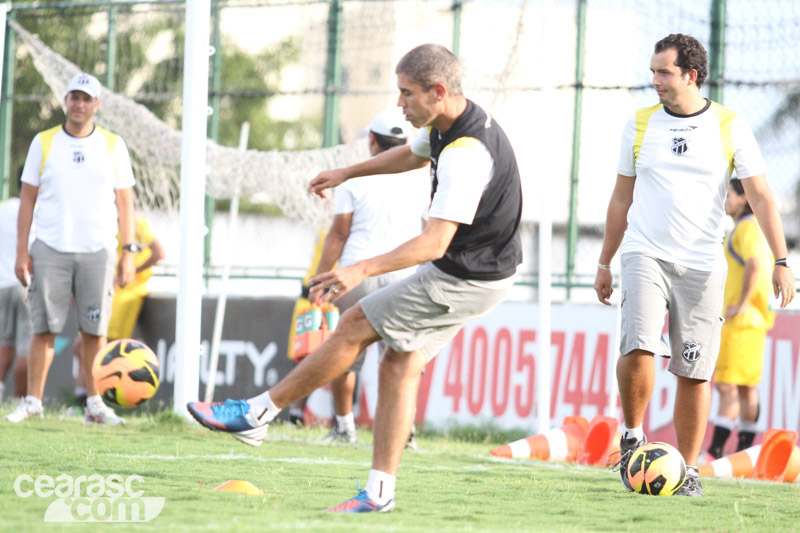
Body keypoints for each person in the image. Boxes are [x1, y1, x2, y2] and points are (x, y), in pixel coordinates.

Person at [188, 43, 523, 512]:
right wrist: (347, 172)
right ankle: (378, 494)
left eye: (406, 94)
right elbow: (409, 155)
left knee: (353, 325)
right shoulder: (449, 124)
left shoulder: (466, 153)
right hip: (478, 276)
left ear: (438, 91)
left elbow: (433, 244)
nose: (400, 103)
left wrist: (358, 268)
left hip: (462, 278)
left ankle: (257, 412)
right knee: (398, 364)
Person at [594, 34, 795, 497]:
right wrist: (604, 260)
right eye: (653, 71)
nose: (655, 81)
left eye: (663, 72)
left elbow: (762, 196)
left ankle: (688, 470)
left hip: (704, 266)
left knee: (694, 371)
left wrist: (781, 261)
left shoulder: (730, 126)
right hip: (644, 252)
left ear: (691, 75)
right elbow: (621, 198)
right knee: (640, 345)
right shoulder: (639, 124)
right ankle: (632, 435)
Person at [5, 72, 136, 425]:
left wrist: (129, 251)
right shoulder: (44, 142)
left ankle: (95, 403)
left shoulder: (113, 144)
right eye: (73, 97)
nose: (79, 104)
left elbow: (126, 203)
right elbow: (27, 200)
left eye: (86, 98)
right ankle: (33, 401)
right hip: (50, 249)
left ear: (96, 105)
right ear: (66, 101)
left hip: (98, 251)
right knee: (43, 328)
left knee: (94, 331)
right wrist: (22, 251)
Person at [317, 108, 428, 444]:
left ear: (372, 141)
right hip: (403, 272)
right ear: (407, 142)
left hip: (356, 274)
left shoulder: (356, 179)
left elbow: (338, 234)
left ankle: (344, 427)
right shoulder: (421, 178)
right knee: (401, 355)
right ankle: (404, 431)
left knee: (345, 351)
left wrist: (322, 279)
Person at [705, 179, 776, 460]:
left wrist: (741, 303)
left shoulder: (745, 229)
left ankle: (715, 450)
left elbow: (754, 265)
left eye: (729, 195)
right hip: (757, 320)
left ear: (743, 198)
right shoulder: (756, 228)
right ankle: (745, 452)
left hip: (741, 320)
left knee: (727, 385)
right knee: (747, 386)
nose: (724, 201)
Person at [72, 216, 165, 407]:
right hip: (106, 289)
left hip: (125, 294)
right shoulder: (102, 221)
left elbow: (158, 253)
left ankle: (96, 400)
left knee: (103, 349)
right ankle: (84, 397)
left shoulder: (136, 223)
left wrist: (130, 271)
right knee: (82, 346)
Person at [0, 170, 32, 400]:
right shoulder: (37, 213)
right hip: (26, 284)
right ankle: (20, 401)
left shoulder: (3, 209)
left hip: (1, 284)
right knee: (27, 347)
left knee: (4, 343)